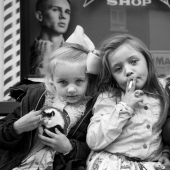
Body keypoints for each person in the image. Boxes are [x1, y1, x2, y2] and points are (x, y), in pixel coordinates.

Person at [0, 25, 101, 170]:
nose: (71, 89)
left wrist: (69, 148)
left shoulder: (92, 109)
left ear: (88, 81)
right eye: (63, 82)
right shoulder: (36, 99)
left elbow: (94, 148)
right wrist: (17, 127)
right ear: (52, 81)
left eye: (79, 81)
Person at [86, 34, 170, 170]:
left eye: (133, 62)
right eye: (118, 69)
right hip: (112, 161)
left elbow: (163, 132)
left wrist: (166, 153)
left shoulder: (161, 94)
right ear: (112, 76)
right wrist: (124, 106)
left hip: (149, 163)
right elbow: (93, 141)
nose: (128, 71)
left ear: (147, 61)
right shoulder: (108, 97)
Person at [30, 0, 71, 75]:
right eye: (55, 10)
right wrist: (42, 65)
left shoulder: (75, 55)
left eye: (67, 12)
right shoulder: (23, 55)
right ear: (40, 16)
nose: (63, 16)